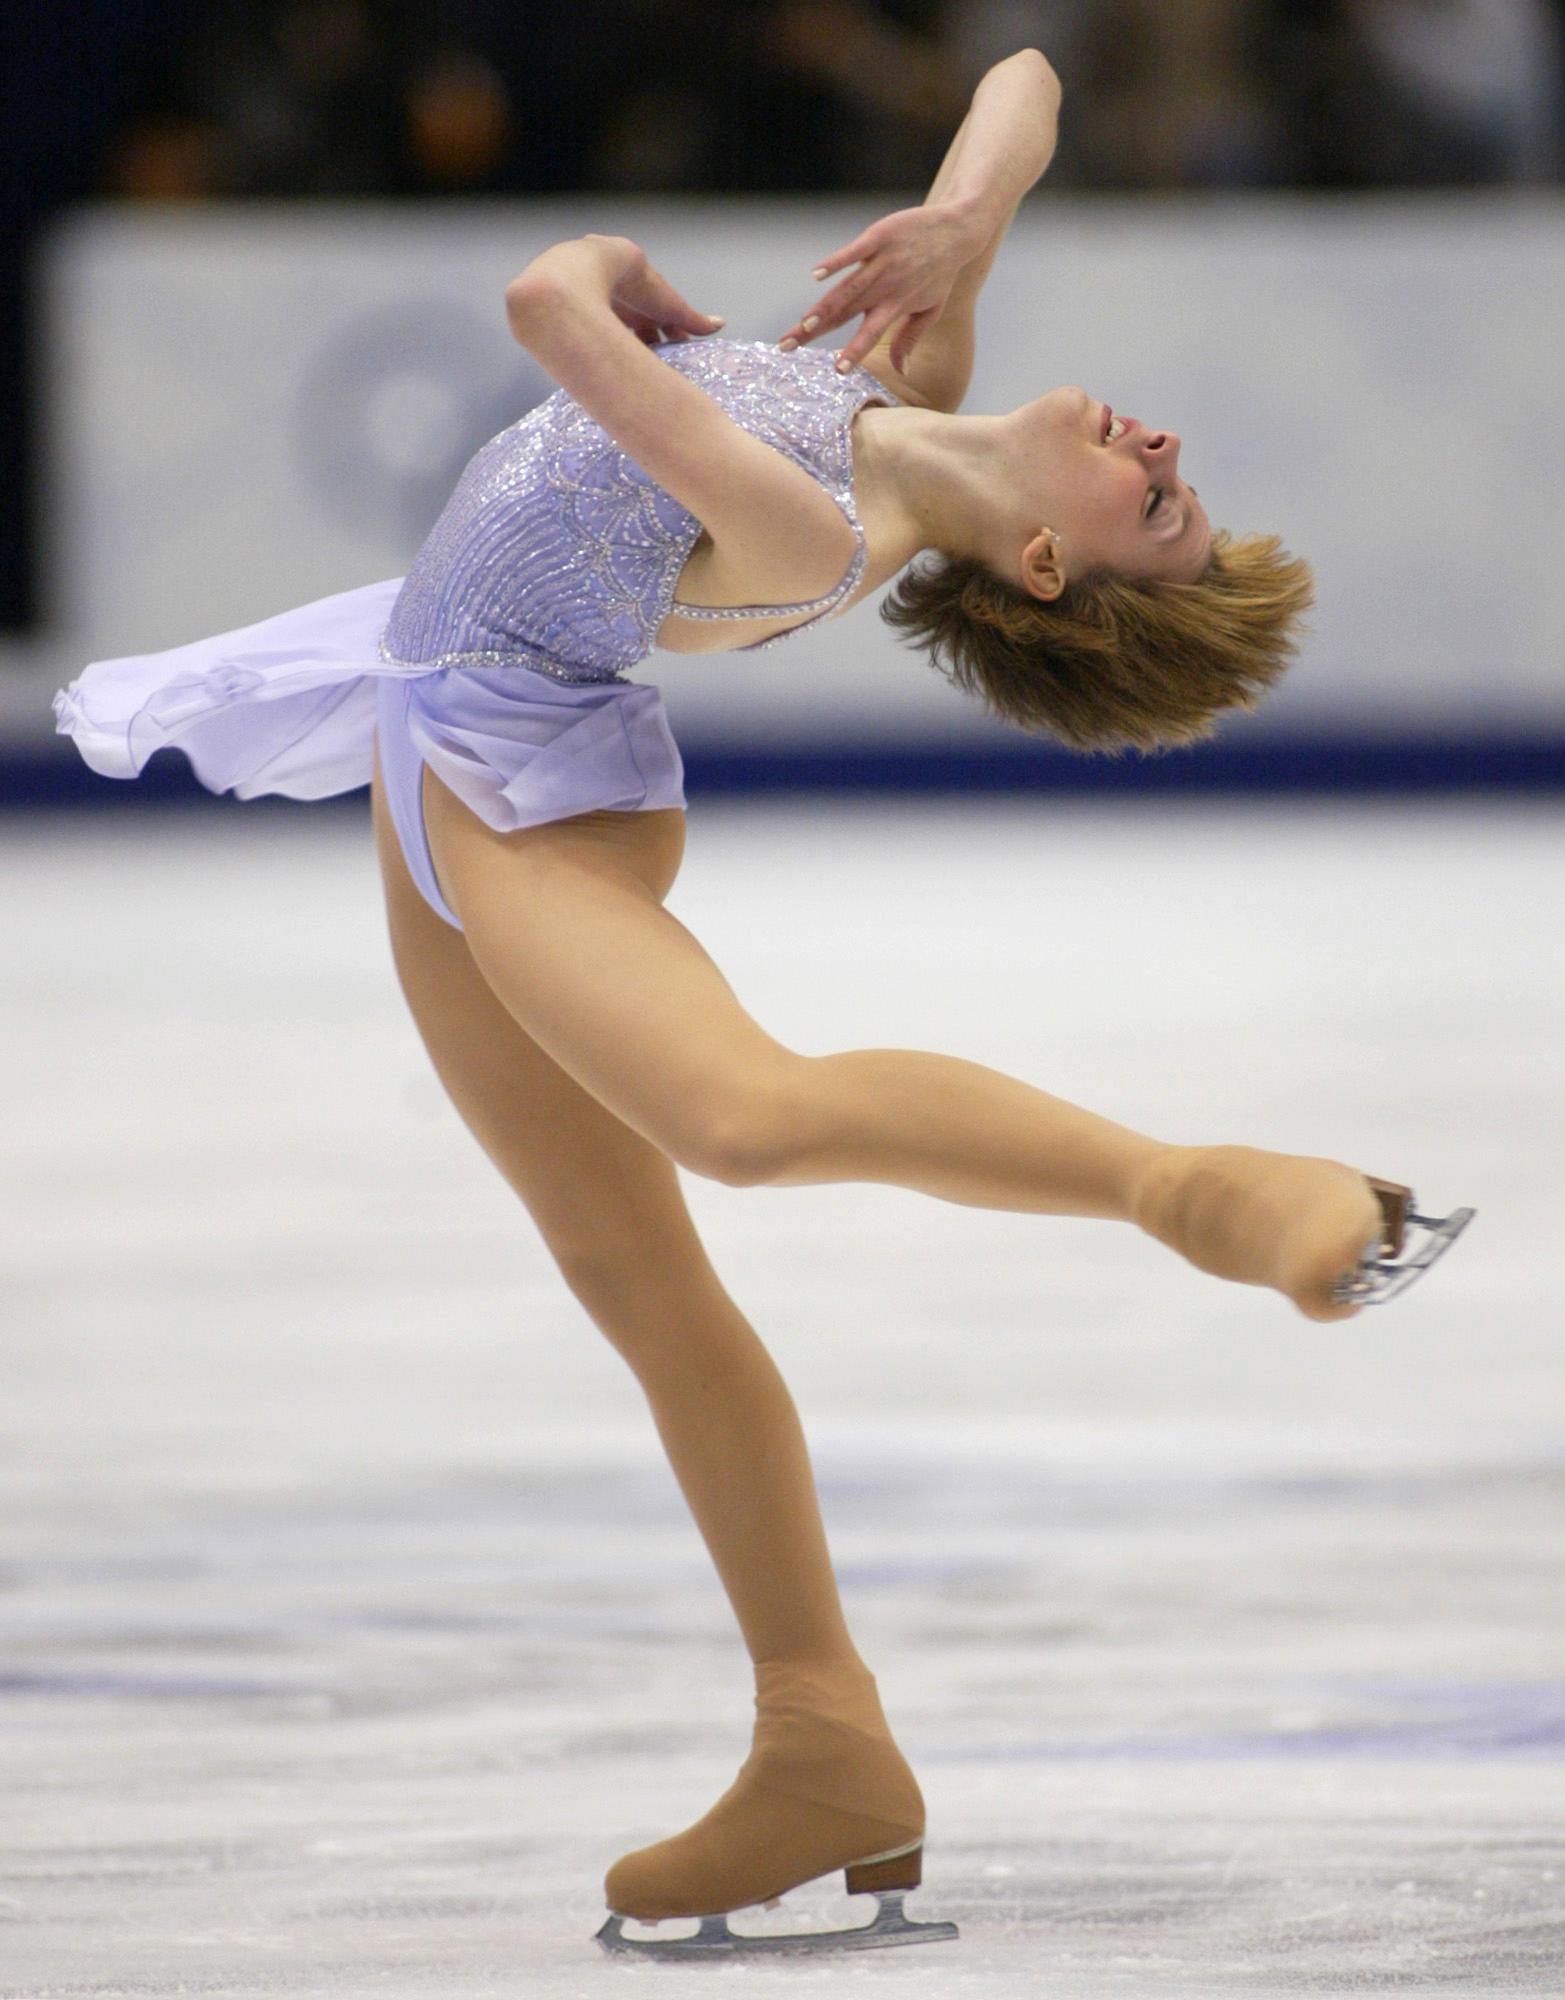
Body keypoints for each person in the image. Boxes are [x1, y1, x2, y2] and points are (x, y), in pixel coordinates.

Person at [51, 45, 1471, 1961]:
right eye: (1178, 484)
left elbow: (548, 309)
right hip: (429, 757)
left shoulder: (811, 527)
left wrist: (606, 264)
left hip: (530, 812)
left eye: (1154, 512)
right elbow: (1027, 76)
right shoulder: (910, 388)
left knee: (743, 1116)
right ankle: (823, 1739)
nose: (1161, 457)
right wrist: (967, 222)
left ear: (1039, 562)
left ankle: (1195, 1187)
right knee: (633, 1278)